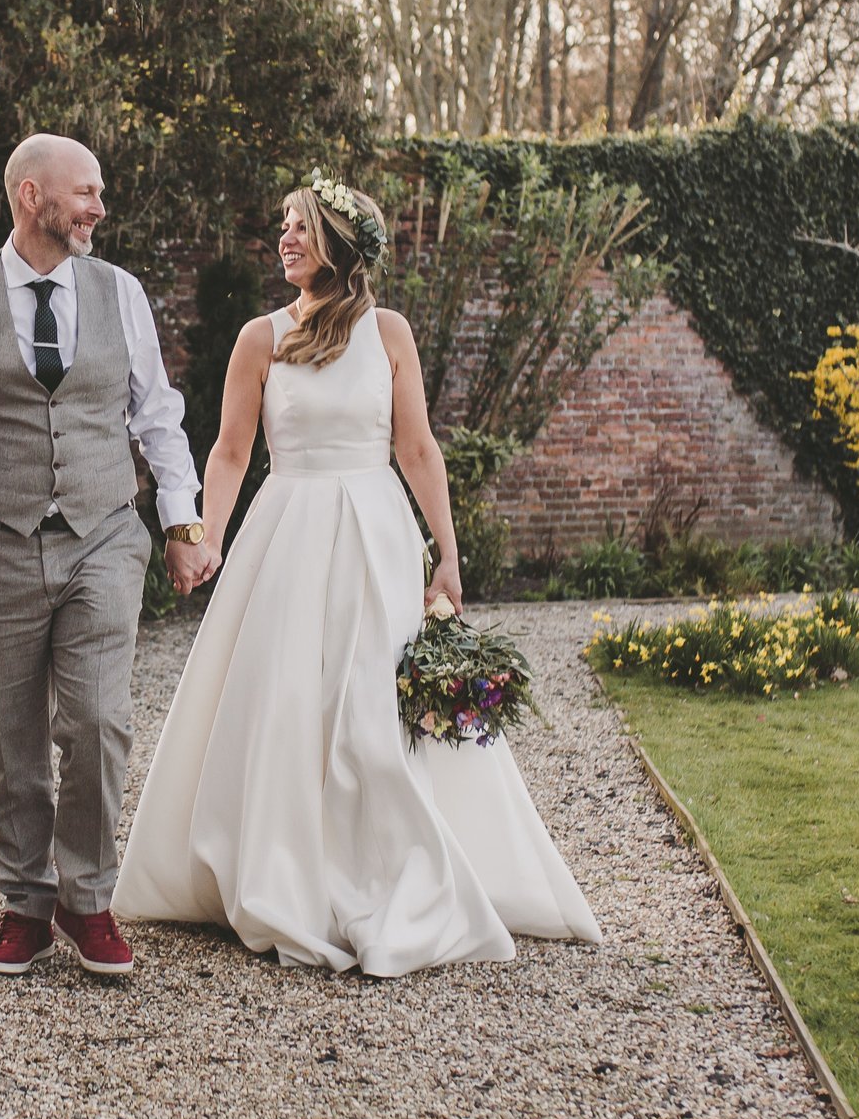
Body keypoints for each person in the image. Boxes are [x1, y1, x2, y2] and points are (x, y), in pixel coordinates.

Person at [115, 175, 602, 975]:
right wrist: (206, 537)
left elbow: (416, 448)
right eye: (282, 224)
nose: (286, 237)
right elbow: (233, 449)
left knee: (376, 706)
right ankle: (286, 869)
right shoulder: (260, 337)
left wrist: (447, 548)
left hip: (377, 535)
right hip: (289, 533)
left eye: (300, 225)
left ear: (340, 243)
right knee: (290, 702)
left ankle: (389, 869)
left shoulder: (390, 333)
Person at [0, 134, 217, 977]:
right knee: (14, 739)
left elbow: (156, 415)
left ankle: (89, 896)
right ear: (32, 196)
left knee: (99, 723)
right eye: (87, 192)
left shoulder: (121, 292)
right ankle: (26, 903)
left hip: (104, 534)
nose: (99, 207)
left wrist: (182, 524)